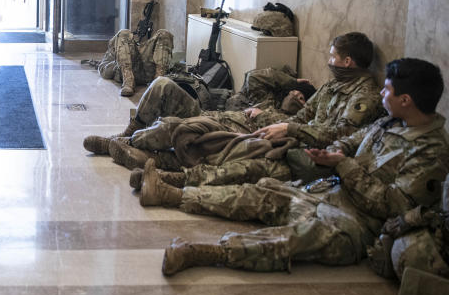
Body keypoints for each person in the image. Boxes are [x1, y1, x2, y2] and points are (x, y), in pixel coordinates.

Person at [138, 58, 449, 277]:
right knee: (260, 193)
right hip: (330, 192)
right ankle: (173, 195)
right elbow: (353, 140)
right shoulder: (390, 121)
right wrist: (334, 153)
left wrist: (344, 165)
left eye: (388, 91)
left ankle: (207, 252)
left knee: (291, 240)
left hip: (358, 225)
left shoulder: (431, 151)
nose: (383, 93)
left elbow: (391, 207)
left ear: (406, 99)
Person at [92, 33, 383, 168]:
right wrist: (284, 107)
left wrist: (286, 127)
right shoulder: (334, 85)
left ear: (347, 60)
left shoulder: (363, 96)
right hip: (249, 119)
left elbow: (340, 133)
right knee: (167, 95)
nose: (329, 62)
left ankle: (127, 149)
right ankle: (126, 140)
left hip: (261, 130)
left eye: (333, 57)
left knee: (178, 128)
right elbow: (301, 115)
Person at [83, 66, 315, 164]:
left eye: (301, 99)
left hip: (220, 134)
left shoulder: (291, 124)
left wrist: (267, 116)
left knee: (170, 126)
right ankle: (130, 132)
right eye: (294, 93)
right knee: (162, 84)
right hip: (206, 114)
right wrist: (292, 82)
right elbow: (255, 77)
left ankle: (122, 144)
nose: (296, 96)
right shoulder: (265, 98)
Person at [92, 28, 174, 97]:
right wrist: (119, 62)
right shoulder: (116, 47)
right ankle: (128, 81)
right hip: (128, 71)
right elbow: (104, 71)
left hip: (149, 70)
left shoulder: (142, 47)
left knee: (164, 33)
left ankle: (159, 83)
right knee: (124, 32)